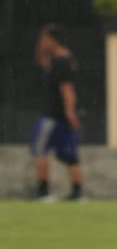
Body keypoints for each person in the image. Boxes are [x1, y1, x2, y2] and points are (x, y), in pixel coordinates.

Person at [31, 24, 82, 201]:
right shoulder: (62, 59)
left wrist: (70, 112)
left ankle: (42, 191)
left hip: (52, 116)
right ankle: (77, 192)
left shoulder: (61, 61)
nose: (42, 42)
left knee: (40, 149)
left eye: (45, 38)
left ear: (52, 40)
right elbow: (41, 58)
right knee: (69, 154)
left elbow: (67, 89)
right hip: (60, 117)